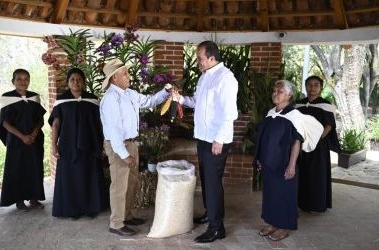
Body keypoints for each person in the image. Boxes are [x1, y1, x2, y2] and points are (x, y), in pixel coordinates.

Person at [172, 41, 238, 243]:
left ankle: (217, 228)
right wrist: (181, 99)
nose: (197, 61)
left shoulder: (226, 78)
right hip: (203, 137)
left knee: (213, 183)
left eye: (200, 58)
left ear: (212, 58)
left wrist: (219, 139)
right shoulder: (204, 78)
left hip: (215, 140)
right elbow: (196, 102)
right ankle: (210, 213)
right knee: (206, 180)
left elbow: (230, 113)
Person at [100, 59, 170, 236]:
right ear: (114, 78)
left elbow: (149, 101)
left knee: (132, 182)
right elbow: (113, 130)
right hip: (119, 146)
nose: (128, 76)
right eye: (125, 73)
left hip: (131, 142)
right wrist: (123, 154)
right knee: (119, 185)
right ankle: (116, 224)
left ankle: (126, 216)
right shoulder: (110, 99)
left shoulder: (129, 93)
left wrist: (166, 92)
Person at [254, 80, 322, 241]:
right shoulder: (271, 113)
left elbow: (296, 142)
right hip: (269, 163)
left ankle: (283, 227)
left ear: (289, 95)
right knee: (270, 195)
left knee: (284, 195)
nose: (275, 94)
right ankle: (272, 223)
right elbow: (264, 139)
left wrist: (291, 165)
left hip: (284, 163)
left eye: (280, 91)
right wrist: (260, 158)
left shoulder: (294, 116)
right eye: (274, 90)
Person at [49, 68, 107, 219]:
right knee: (71, 178)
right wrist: (54, 144)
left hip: (91, 144)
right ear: (68, 82)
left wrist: (104, 143)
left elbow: (101, 124)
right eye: (72, 79)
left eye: (79, 79)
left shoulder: (93, 100)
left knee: (89, 176)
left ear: (84, 82)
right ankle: (72, 209)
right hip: (68, 146)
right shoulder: (61, 101)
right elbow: (56, 124)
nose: (76, 82)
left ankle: (90, 207)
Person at [0, 68, 46, 211]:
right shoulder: (7, 98)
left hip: (34, 140)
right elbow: (4, 123)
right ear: (13, 81)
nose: (23, 82)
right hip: (17, 141)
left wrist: (34, 134)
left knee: (35, 168)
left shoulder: (34, 97)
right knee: (17, 169)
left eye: (26, 79)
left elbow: (40, 120)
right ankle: (19, 200)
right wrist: (23, 136)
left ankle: (34, 198)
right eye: (19, 79)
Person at [296, 76, 340, 213]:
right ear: (305, 86)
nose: (312, 88)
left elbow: (329, 126)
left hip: (319, 146)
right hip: (302, 145)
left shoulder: (325, 105)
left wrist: (315, 140)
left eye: (316, 85)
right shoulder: (299, 105)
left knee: (317, 175)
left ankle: (317, 204)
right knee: (302, 173)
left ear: (321, 88)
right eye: (309, 85)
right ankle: (302, 203)